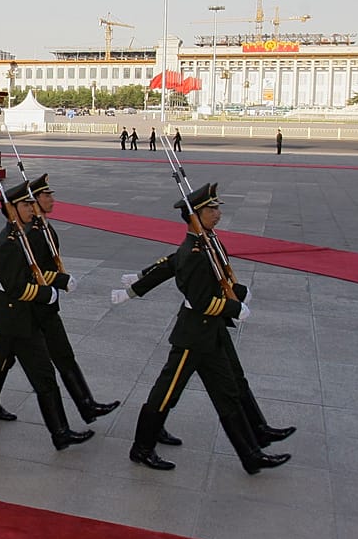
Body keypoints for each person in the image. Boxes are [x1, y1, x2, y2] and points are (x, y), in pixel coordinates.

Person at [125, 183, 291, 475]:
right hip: (192, 336)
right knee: (166, 394)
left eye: (216, 208)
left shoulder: (209, 242)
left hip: (210, 334)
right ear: (194, 216)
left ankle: (251, 455)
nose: (217, 213)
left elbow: (219, 280)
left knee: (227, 391)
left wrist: (237, 292)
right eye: (211, 209)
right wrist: (234, 308)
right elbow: (201, 300)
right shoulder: (192, 252)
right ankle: (141, 448)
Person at [0, 174, 119, 425]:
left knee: (22, 365)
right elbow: (11, 269)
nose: (50, 199)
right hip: (31, 308)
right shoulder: (26, 235)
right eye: (41, 197)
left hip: (31, 308)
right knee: (12, 364)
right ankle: (83, 408)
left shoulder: (36, 231)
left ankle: (70, 419)